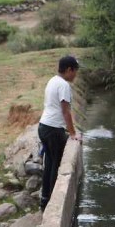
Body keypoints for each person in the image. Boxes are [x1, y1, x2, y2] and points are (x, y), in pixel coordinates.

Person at [38, 55, 80, 209]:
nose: (76, 75)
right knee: (55, 165)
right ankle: (52, 203)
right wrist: (73, 133)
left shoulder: (52, 81)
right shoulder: (63, 85)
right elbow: (66, 112)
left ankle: (45, 200)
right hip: (54, 130)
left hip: (43, 126)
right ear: (69, 70)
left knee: (49, 163)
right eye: (75, 71)